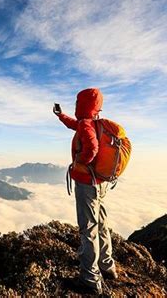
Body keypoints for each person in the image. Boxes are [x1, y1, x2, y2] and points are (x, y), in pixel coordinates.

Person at [53, 87, 117, 295]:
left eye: (77, 102)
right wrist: (61, 116)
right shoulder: (93, 123)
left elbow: (92, 147)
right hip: (100, 183)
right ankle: (107, 266)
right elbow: (77, 126)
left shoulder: (87, 126)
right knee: (101, 223)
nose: (75, 105)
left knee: (88, 228)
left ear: (83, 104)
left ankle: (89, 278)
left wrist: (81, 161)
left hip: (87, 184)